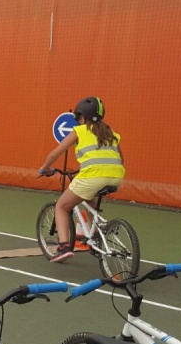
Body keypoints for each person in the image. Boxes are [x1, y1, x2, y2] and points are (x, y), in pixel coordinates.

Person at [38, 96, 126, 264]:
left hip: (92, 177)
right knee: (89, 197)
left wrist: (45, 168)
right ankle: (96, 235)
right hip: (116, 176)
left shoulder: (80, 131)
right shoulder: (112, 134)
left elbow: (55, 153)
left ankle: (64, 247)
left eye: (78, 118)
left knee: (61, 206)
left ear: (82, 117)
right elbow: (120, 158)